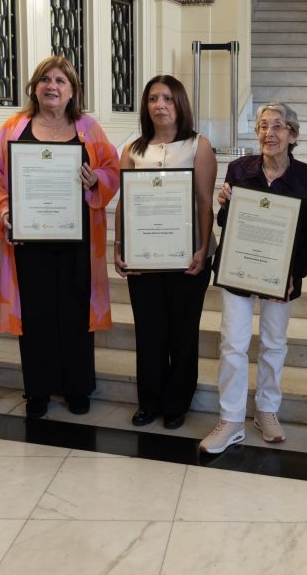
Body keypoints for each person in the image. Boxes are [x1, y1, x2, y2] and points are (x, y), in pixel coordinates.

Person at [0, 55, 120, 419]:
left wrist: (98, 181)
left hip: (78, 242)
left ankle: (77, 387)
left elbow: (112, 169)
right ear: (35, 87)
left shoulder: (88, 128)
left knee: (76, 314)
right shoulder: (14, 127)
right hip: (30, 242)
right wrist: (4, 211)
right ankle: (38, 390)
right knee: (36, 315)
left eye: (61, 80)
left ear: (72, 89)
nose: (52, 86)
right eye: (45, 79)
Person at [199, 102, 307, 454]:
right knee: (233, 344)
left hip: (279, 279)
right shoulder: (239, 169)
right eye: (263, 126)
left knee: (273, 343)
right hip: (239, 269)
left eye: (278, 126)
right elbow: (228, 224)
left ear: (293, 135)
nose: (269, 133)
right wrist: (225, 203)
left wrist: (294, 274)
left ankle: (267, 411)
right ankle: (231, 418)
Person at [114, 75, 217, 430]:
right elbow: (124, 202)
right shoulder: (133, 149)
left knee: (183, 331)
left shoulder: (198, 146)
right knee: (149, 330)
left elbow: (205, 202)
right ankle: (150, 401)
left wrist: (203, 248)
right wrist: (119, 245)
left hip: (188, 256)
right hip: (144, 257)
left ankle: (177, 402)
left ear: (180, 105)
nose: (160, 105)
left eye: (168, 99)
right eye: (154, 98)